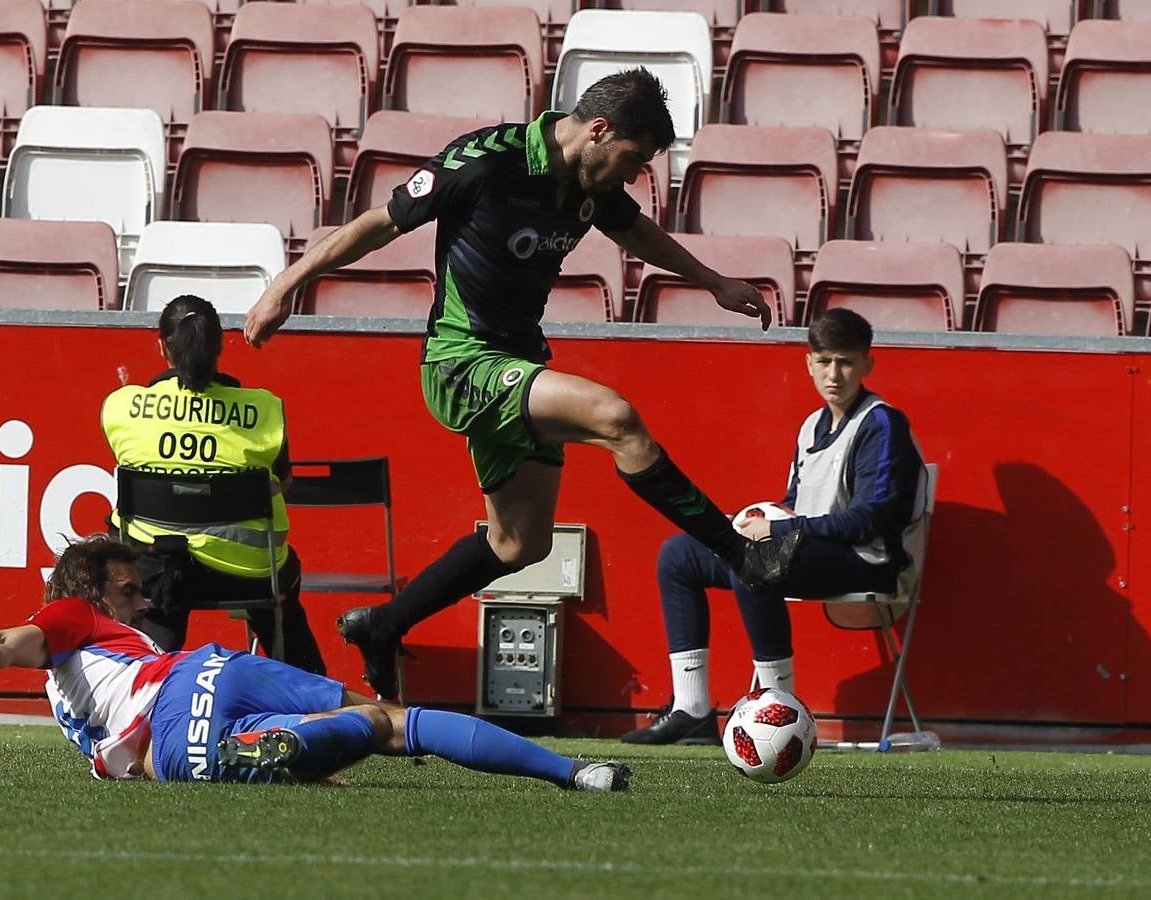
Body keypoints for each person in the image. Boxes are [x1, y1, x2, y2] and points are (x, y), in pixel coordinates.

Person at [243, 67, 799, 699]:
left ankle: (383, 624)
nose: (634, 174)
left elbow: (635, 231)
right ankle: (740, 555)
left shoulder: (589, 181)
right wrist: (285, 284)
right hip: (462, 361)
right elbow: (380, 222)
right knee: (616, 418)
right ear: (598, 129)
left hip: (518, 361)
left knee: (520, 543)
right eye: (633, 159)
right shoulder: (486, 162)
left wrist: (714, 282)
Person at [0, 535, 631, 790]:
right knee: (392, 722)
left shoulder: (70, 700)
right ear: (92, 590)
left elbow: (133, 762)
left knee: (340, 738)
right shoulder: (71, 616)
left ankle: (286, 749)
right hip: (200, 677)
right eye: (129, 593)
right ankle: (573, 773)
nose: (141, 606)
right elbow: (0, 643)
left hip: (180, 755)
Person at [621, 309, 928, 744]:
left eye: (845, 362)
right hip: (812, 550)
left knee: (758, 560)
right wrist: (753, 520)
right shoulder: (810, 426)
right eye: (824, 362)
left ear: (867, 365)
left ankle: (778, 709)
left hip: (870, 560)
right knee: (680, 553)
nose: (834, 374)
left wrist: (778, 532)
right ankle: (692, 710)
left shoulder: (881, 423)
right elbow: (795, 504)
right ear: (809, 364)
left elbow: (869, 520)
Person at [101, 294, 326, 674]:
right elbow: (283, 482)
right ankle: (315, 698)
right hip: (249, 579)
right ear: (220, 345)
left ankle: (142, 676)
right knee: (283, 590)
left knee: (151, 567)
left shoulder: (122, 405)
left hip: (155, 578)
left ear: (161, 347)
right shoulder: (264, 408)